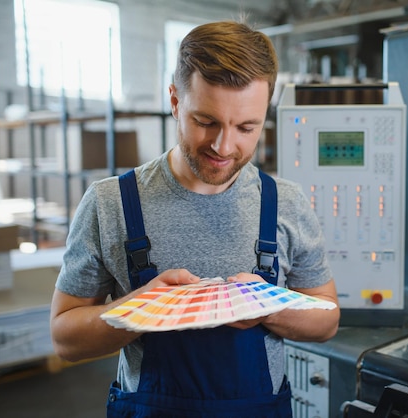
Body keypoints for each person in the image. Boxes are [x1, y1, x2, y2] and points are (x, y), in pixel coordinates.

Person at [50, 20, 340, 418]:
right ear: (174, 100)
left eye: (246, 127)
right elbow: (66, 339)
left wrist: (268, 310)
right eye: (206, 121)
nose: (224, 146)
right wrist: (141, 309)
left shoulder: (285, 203)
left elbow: (327, 320)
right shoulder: (110, 203)